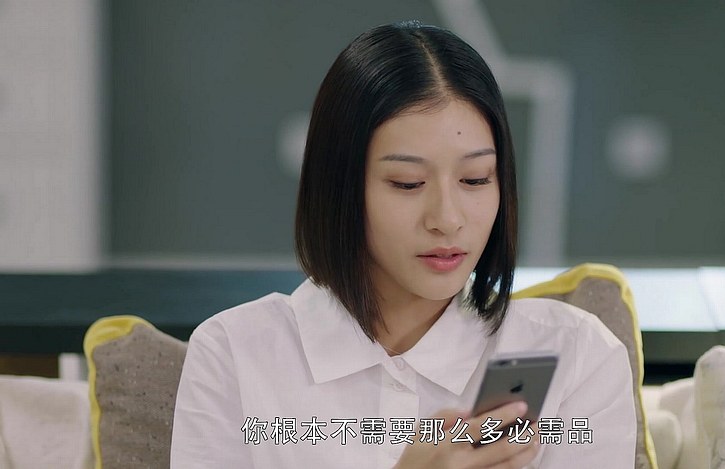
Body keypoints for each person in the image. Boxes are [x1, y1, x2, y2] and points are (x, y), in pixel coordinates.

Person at [170, 21, 636, 468]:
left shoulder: (577, 356)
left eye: (475, 179)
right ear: (339, 186)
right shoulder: (235, 355)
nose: (447, 219)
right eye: (408, 183)